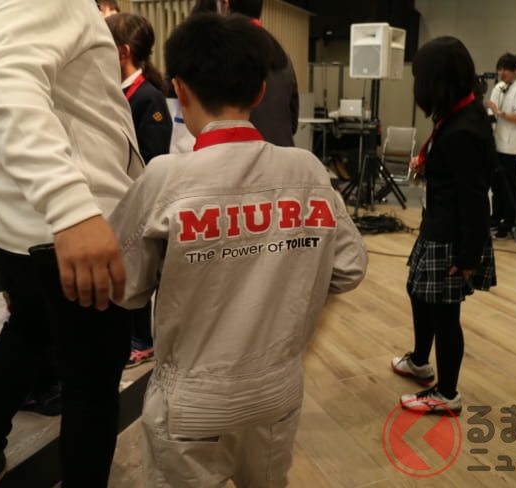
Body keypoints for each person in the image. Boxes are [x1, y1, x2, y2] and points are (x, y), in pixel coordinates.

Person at [109, 13, 368, 486]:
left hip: (191, 405)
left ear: (180, 90)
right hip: (277, 394)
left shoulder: (166, 178)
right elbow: (349, 268)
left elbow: (123, 289)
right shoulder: (308, 171)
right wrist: (289, 273)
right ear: (260, 92)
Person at [0, 1, 143, 486]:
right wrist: (71, 207)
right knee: (92, 383)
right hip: (73, 226)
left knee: (29, 330)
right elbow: (5, 86)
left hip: (16, 220)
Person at [391, 36, 497, 415]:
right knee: (418, 293)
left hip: (453, 237)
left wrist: (469, 257)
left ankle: (447, 394)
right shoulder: (455, 115)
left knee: (445, 314)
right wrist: (429, 167)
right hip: (436, 225)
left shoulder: (465, 129)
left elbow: (475, 201)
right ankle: (421, 361)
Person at [105, 12, 172, 368]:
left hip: (139, 202)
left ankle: (142, 341)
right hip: (118, 202)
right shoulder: (116, 92)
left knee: (138, 272)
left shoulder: (148, 98)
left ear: (123, 52)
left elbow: (153, 158)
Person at [222, 0, 300, 147]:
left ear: (227, 4)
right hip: (282, 151)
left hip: (242, 153)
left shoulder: (224, 52)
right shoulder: (282, 55)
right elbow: (293, 122)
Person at [485, 53, 516, 239]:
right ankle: (496, 217)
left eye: (506, 70)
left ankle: (508, 221)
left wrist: (499, 113)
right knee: (495, 185)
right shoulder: (499, 87)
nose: (502, 73)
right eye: (500, 69)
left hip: (511, 147)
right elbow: (491, 112)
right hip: (497, 144)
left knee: (508, 186)